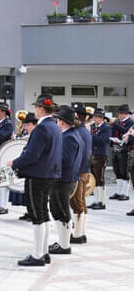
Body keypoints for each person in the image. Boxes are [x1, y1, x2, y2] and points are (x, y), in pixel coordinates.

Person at [7, 95, 62, 267]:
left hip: (37, 176)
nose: (35, 111)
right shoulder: (54, 127)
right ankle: (43, 252)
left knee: (37, 216)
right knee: (44, 214)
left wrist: (14, 163)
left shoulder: (41, 128)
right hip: (49, 175)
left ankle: (38, 255)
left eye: (36, 108)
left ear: (40, 109)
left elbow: (32, 154)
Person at [49, 106, 83, 255]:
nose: (56, 122)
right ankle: (62, 242)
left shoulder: (69, 137)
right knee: (58, 210)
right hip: (66, 179)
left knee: (61, 211)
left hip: (63, 180)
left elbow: (66, 160)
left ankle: (64, 245)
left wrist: (48, 159)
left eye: (58, 119)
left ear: (62, 122)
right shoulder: (73, 134)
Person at [70, 103, 92, 244]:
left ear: (76, 116)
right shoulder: (85, 131)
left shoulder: (78, 132)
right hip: (84, 170)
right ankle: (81, 232)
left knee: (76, 203)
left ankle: (77, 235)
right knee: (82, 203)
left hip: (78, 171)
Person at [88, 108, 112, 210]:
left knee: (99, 178)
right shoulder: (93, 126)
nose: (94, 119)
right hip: (92, 154)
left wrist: (90, 133)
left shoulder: (106, 128)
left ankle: (101, 201)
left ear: (102, 118)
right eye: (94, 117)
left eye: (96, 117)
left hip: (101, 155)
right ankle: (96, 200)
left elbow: (101, 141)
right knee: (93, 178)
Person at [16, 112, 38, 221]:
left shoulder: (37, 135)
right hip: (28, 169)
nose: (26, 127)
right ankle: (29, 211)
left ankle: (34, 213)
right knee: (28, 193)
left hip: (35, 169)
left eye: (28, 125)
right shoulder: (30, 135)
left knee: (34, 194)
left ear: (35, 125)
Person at [109, 104, 133, 201]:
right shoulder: (118, 122)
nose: (119, 115)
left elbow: (125, 131)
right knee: (117, 171)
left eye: (120, 113)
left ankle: (125, 193)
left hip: (124, 149)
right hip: (115, 147)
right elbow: (114, 132)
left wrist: (115, 124)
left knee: (124, 171)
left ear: (125, 114)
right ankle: (119, 192)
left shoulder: (130, 122)